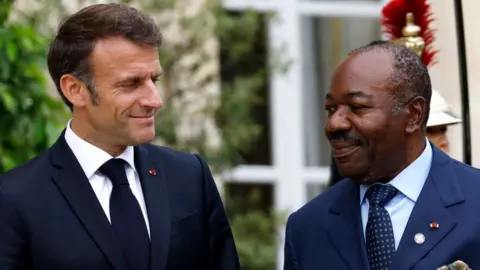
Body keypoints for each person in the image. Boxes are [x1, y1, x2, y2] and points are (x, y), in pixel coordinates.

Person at [0, 3, 240, 270]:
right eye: (131, 84)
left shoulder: (190, 177)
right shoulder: (13, 199)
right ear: (75, 89)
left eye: (154, 80)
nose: (155, 100)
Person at [283, 41, 480, 270]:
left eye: (357, 107)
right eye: (331, 109)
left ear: (414, 115)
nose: (333, 124)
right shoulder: (308, 228)